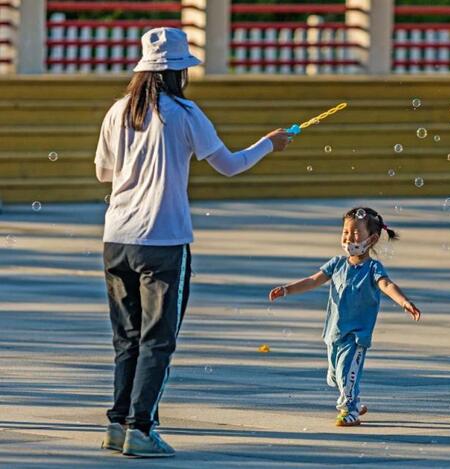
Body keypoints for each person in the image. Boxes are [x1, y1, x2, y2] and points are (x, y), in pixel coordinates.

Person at [95, 27, 291, 458]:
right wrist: (268, 144)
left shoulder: (118, 111)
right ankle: (141, 430)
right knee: (158, 340)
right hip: (163, 239)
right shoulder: (184, 113)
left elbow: (103, 173)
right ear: (178, 72)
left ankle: (117, 423)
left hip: (116, 239)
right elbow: (230, 166)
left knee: (126, 338)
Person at [269, 207, 422, 427]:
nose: (349, 238)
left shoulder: (373, 268)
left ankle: (350, 411)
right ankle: (354, 399)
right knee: (334, 376)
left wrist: (404, 301)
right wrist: (286, 289)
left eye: (356, 234)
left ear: (372, 239)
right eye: (345, 233)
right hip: (334, 333)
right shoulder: (337, 264)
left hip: (356, 335)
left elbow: (386, 285)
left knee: (346, 372)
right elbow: (313, 280)